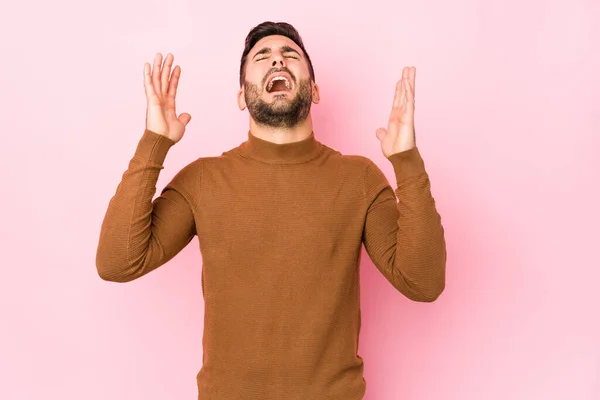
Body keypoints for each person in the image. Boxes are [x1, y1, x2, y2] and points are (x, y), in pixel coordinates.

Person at [96, 21, 446, 400]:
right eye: (262, 57)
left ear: (313, 90)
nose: (277, 59)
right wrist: (155, 142)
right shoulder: (203, 179)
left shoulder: (358, 177)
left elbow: (422, 282)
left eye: (290, 55)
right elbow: (118, 263)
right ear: (242, 96)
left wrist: (406, 162)